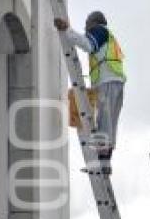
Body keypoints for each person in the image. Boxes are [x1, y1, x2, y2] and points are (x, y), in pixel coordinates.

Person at [54, 11, 126, 174]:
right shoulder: (109, 36)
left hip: (107, 81)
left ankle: (101, 163)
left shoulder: (99, 31)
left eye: (87, 24)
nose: (86, 28)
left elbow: (87, 45)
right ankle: (106, 164)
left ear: (92, 23)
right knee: (110, 123)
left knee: (104, 122)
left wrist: (67, 30)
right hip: (116, 82)